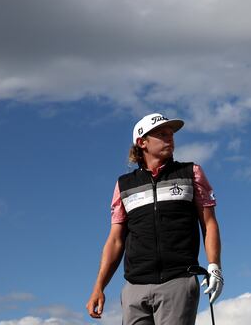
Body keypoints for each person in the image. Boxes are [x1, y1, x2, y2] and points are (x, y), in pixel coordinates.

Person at [86, 113, 224, 324]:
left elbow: (209, 223)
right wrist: (99, 287)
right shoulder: (124, 185)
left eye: (171, 134)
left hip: (178, 280)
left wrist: (214, 266)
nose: (170, 138)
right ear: (142, 142)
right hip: (135, 287)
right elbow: (115, 240)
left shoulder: (191, 173)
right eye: (161, 134)